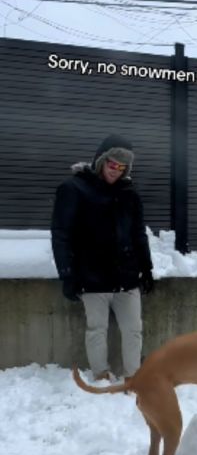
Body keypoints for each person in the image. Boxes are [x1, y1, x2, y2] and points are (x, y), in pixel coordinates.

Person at [51, 134, 155, 381]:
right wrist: (67, 274)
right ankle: (100, 374)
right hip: (91, 276)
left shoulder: (129, 193)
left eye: (122, 167)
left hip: (126, 277)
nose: (116, 171)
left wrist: (147, 269)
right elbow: (61, 235)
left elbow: (138, 234)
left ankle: (134, 377)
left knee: (133, 330)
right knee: (97, 329)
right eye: (112, 164)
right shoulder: (73, 189)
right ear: (101, 161)